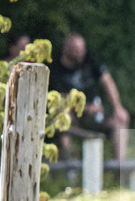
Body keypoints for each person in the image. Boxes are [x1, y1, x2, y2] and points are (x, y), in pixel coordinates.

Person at [47, 32, 130, 161]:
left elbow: (107, 81)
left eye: (82, 49)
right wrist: (86, 107)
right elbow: (58, 98)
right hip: (72, 115)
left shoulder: (89, 60)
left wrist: (117, 107)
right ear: (66, 49)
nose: (80, 53)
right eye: (76, 50)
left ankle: (120, 167)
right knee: (63, 116)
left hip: (92, 116)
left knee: (120, 119)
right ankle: (71, 166)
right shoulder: (55, 68)